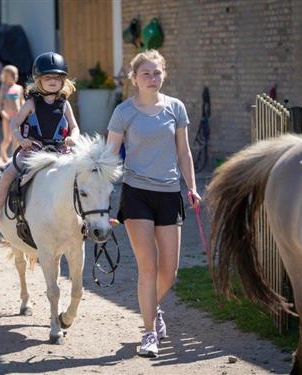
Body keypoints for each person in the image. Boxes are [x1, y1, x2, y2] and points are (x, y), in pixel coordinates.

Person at [106, 49, 201, 357]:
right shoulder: (123, 112)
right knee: (148, 267)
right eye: (145, 73)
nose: (152, 78)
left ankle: (152, 308)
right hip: (136, 194)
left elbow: (184, 152)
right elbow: (109, 158)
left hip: (170, 192)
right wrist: (104, 202)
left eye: (157, 73)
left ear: (164, 75)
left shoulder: (176, 108)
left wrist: (192, 187)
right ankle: (149, 333)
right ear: (134, 78)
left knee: (169, 271)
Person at [0, 52, 80, 225]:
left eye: (57, 77)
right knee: (8, 174)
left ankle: (96, 216)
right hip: (34, 150)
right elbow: (14, 124)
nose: (52, 81)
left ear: (63, 80)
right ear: (38, 80)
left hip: (60, 150)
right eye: (47, 77)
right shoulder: (31, 103)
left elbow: (74, 127)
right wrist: (22, 139)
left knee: (87, 174)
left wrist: (73, 138)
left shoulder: (65, 104)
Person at [0, 65, 25, 162]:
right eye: (11, 75)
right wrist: (3, 114)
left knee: (16, 139)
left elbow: (22, 102)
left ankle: (14, 158)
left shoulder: (19, 88)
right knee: (7, 139)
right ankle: (2, 152)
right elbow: (0, 105)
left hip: (17, 117)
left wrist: (24, 113)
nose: (14, 76)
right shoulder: (3, 88)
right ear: (5, 76)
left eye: (15, 74)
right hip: (7, 117)